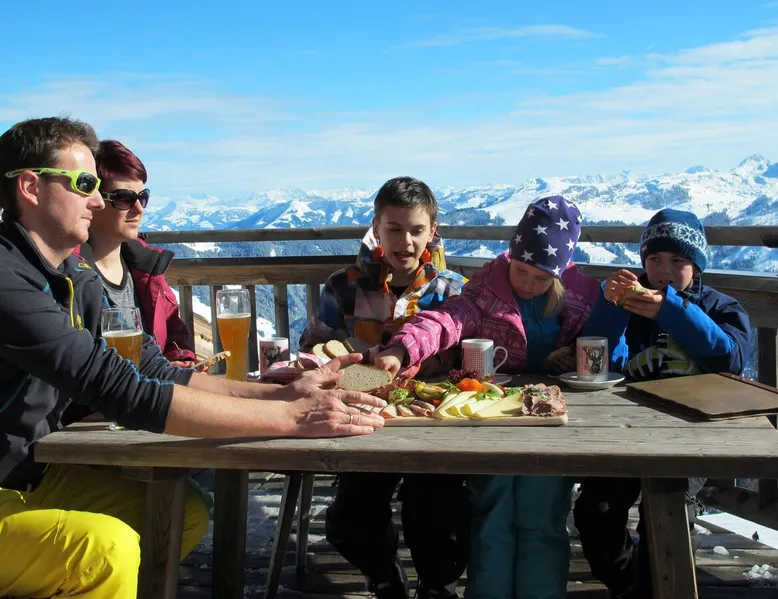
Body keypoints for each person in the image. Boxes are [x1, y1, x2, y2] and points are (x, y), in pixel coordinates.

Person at [0, 117, 386, 599]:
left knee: (181, 512)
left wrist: (281, 394)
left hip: (29, 477)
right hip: (10, 484)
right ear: (31, 187)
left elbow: (152, 369)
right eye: (84, 185)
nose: (97, 201)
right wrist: (290, 417)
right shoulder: (9, 279)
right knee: (103, 550)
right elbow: (119, 389)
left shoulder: (72, 277)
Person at [375, 196, 601, 599]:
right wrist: (402, 349)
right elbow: (443, 320)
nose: (527, 283)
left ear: (559, 274)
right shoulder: (484, 292)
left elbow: (605, 345)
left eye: (540, 278)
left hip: (551, 424)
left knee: (544, 513)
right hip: (491, 418)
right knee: (492, 510)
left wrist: (571, 354)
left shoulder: (581, 299)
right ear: (510, 256)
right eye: (520, 270)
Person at [302, 177, 469, 599]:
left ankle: (436, 586)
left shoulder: (452, 290)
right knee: (350, 518)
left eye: (416, 230)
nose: (405, 241)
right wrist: (340, 368)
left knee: (438, 509)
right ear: (376, 227)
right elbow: (314, 352)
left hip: (432, 424)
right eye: (394, 229)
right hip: (361, 420)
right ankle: (384, 577)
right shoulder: (343, 286)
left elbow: (469, 365)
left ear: (433, 232)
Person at [573, 208, 753, 599]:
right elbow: (598, 361)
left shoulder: (721, 308)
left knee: (668, 510)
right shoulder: (627, 302)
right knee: (595, 512)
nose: (664, 271)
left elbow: (730, 359)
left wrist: (672, 310)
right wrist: (609, 307)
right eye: (654, 259)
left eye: (678, 261)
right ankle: (630, 583)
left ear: (697, 266)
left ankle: (654, 586)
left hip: (692, 434)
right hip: (624, 430)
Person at [75, 139, 196, 364]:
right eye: (124, 198)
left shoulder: (148, 270)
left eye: (142, 197)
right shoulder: (69, 276)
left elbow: (175, 342)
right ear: (93, 200)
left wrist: (184, 362)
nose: (139, 209)